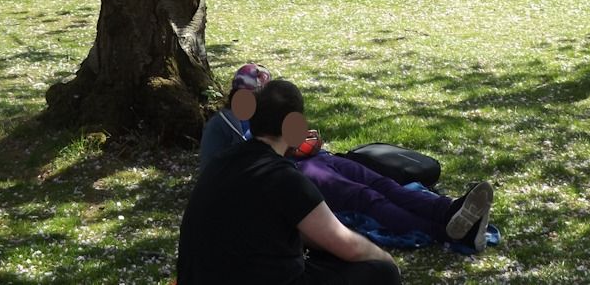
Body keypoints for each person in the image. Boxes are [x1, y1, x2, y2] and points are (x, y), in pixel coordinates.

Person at [199, 65, 495, 252]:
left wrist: (304, 143)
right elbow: (228, 174)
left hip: (310, 159)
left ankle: (450, 210)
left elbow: (283, 139)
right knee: (364, 197)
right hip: (289, 172)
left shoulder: (267, 115)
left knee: (382, 182)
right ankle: (447, 231)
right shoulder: (224, 125)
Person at [178, 79, 402, 284]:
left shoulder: (221, 162)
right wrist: (386, 260)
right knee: (381, 272)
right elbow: (349, 247)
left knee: (324, 251)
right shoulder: (283, 178)